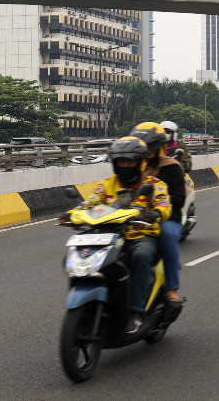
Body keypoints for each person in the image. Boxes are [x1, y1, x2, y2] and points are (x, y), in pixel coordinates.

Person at [65, 136, 171, 334]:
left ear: (140, 162)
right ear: (115, 163)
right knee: (80, 255)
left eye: (129, 161)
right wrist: (71, 214)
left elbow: (164, 204)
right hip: (108, 236)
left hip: (140, 236)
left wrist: (155, 213)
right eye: (121, 161)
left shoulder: (154, 184)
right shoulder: (107, 185)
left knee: (141, 255)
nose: (125, 165)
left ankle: (135, 312)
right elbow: (90, 203)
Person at [132, 122, 186, 309]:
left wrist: (157, 207)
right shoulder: (132, 166)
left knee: (167, 234)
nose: (145, 152)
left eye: (149, 148)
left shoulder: (172, 167)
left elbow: (179, 199)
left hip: (166, 218)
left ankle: (172, 289)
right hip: (135, 217)